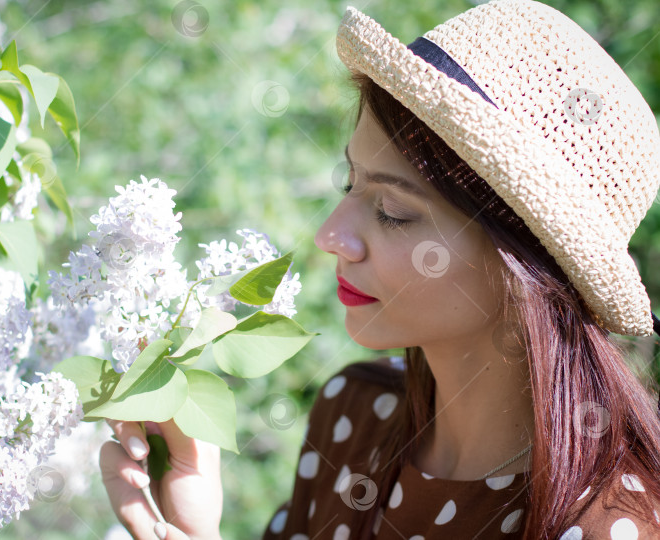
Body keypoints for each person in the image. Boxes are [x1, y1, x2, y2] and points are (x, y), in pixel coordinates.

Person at [99, 0, 660, 538]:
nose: (329, 236)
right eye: (350, 183)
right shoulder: (354, 414)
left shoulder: (609, 526)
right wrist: (197, 530)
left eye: (393, 212)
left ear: (523, 266)